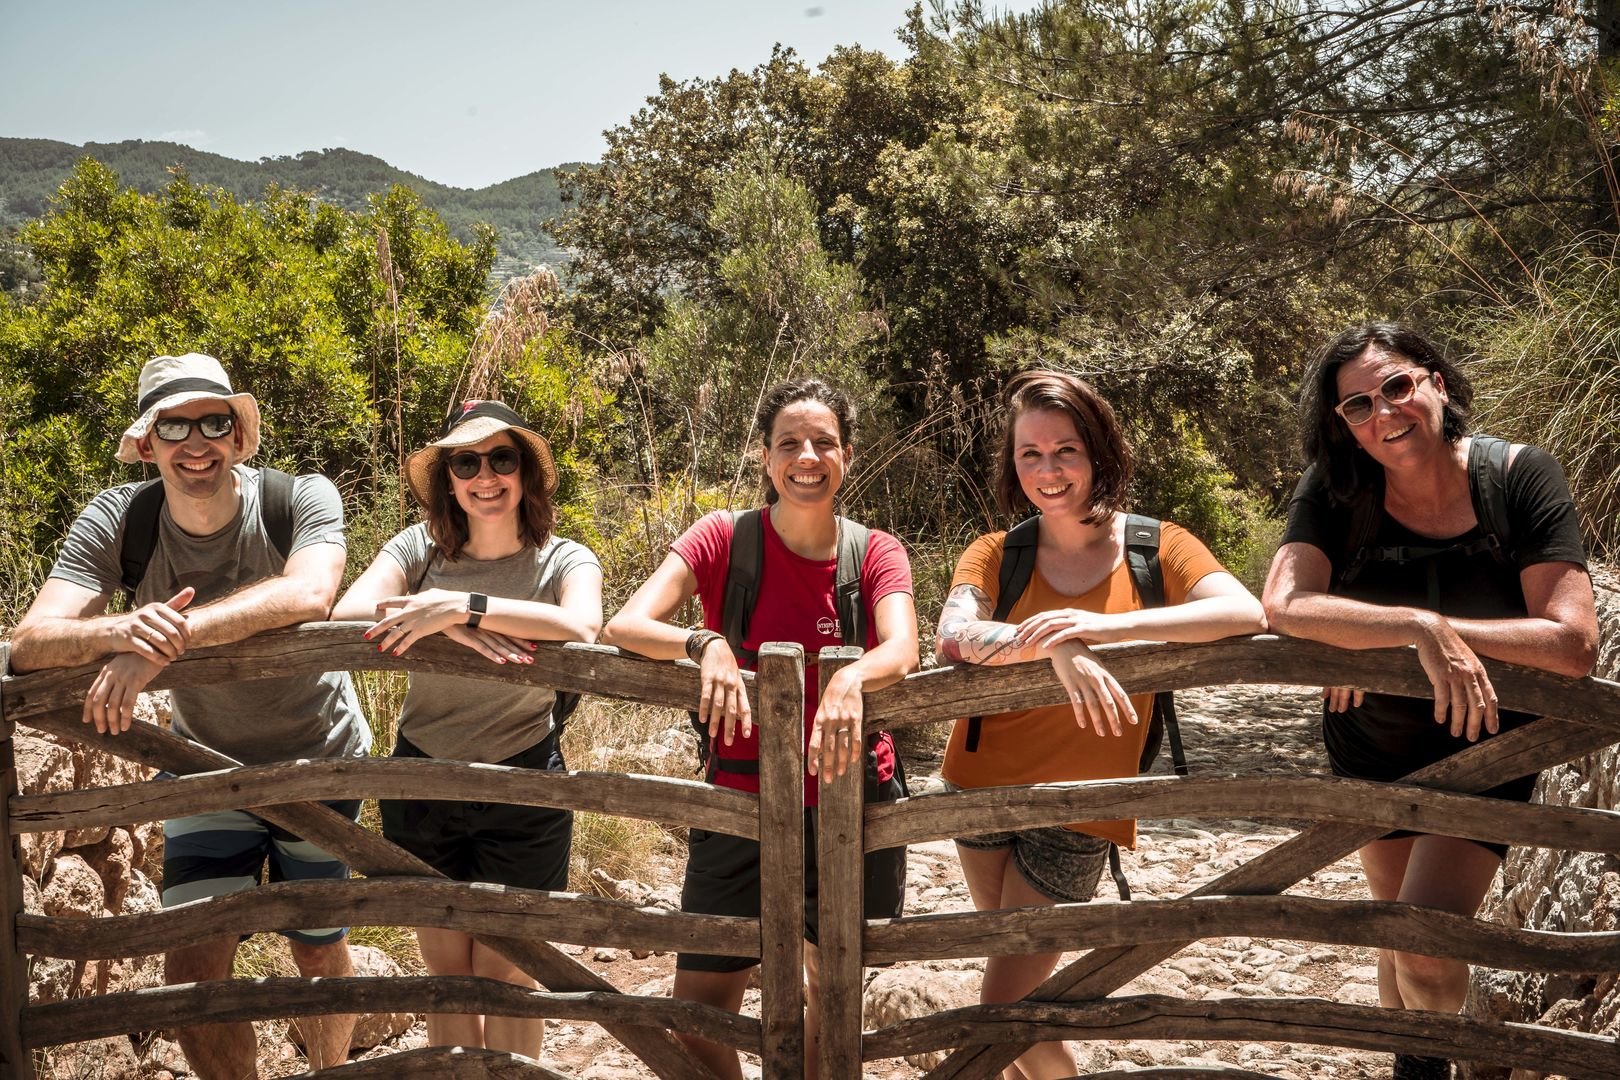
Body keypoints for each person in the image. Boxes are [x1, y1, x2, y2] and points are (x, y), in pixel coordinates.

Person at [9, 352, 369, 1077]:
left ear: (239, 437)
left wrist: (163, 647)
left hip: (319, 753)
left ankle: (330, 1070)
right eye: (174, 426)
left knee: (317, 943)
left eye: (214, 422)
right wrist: (122, 631)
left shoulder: (300, 497)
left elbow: (308, 596)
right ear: (147, 444)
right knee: (194, 963)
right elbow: (29, 640)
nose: (196, 441)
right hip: (204, 764)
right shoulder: (121, 519)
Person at [1262, 323, 1596, 1080]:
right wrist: (1412, 629)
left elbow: (1573, 643)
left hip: (1490, 750)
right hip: (1370, 740)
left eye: (1397, 386)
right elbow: (1283, 604)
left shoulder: (1518, 478)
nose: (1383, 413)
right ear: (1341, 425)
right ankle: (1416, 1071)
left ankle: (1440, 1068)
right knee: (1397, 933)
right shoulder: (1337, 489)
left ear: (1437, 383)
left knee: (1424, 944)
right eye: (1356, 406)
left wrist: (1439, 636)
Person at [935, 369, 1265, 1080]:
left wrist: (1104, 629)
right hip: (977, 789)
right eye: (1031, 454)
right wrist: (1056, 645)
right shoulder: (998, 551)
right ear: (1011, 462)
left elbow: (1244, 612)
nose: (1049, 470)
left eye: (1066, 450)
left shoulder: (1156, 548)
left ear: (1099, 451)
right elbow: (953, 634)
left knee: (1004, 1008)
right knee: (1022, 1003)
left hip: (1085, 805)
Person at [599, 377, 918, 1080]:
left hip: (851, 801)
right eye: (789, 443)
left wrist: (849, 677)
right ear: (765, 457)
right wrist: (704, 643)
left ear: (849, 455)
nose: (807, 456)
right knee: (698, 1011)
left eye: (824, 443)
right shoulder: (723, 539)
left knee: (828, 999)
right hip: (738, 800)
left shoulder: (875, 553)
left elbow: (902, 648)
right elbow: (625, 623)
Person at [332, 399, 602, 1059]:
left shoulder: (562, 558)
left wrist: (466, 607)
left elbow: (582, 625)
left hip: (525, 781)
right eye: (466, 462)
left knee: (508, 971)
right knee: (449, 978)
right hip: (423, 778)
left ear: (526, 472)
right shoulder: (418, 551)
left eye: (501, 459)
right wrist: (441, 615)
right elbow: (346, 614)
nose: (486, 476)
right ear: (448, 479)